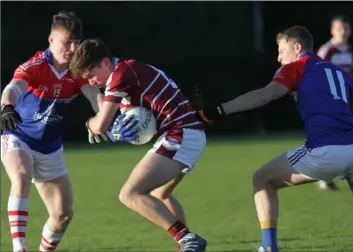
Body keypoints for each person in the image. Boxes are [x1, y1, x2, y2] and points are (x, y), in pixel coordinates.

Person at [197, 26, 353, 252]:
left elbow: (267, 94)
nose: (279, 57)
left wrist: (220, 110)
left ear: (297, 47)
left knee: (262, 179)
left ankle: (268, 247)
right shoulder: (341, 73)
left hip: (325, 151)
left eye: (282, 51)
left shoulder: (296, 67)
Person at [0, 12, 136, 252]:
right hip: (18, 136)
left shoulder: (77, 72)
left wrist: (108, 119)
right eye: (67, 42)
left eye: (76, 42)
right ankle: (18, 247)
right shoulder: (35, 65)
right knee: (21, 176)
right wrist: (7, 107)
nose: (72, 48)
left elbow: (96, 99)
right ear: (51, 39)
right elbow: (12, 88)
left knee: (62, 215)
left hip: (50, 148)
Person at [68, 38, 207, 252]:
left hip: (180, 134)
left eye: (91, 74)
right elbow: (137, 126)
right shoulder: (128, 72)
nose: (92, 81)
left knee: (129, 194)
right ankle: (186, 246)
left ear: (106, 62)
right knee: (160, 195)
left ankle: (187, 238)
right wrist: (120, 132)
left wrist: (90, 124)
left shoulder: (121, 74)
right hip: (185, 133)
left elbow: (101, 124)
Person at [316, 15, 353, 190]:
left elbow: (351, 75)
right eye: (340, 28)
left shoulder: (348, 49)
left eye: (346, 28)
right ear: (332, 31)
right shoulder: (327, 51)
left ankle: (327, 176)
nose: (343, 32)